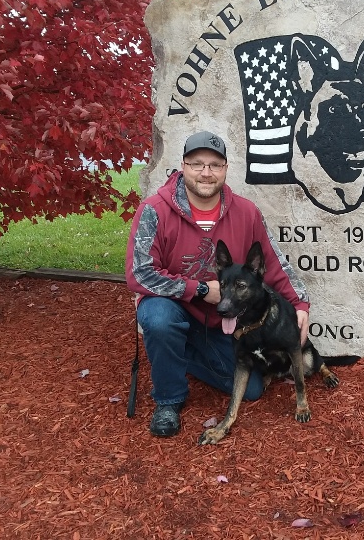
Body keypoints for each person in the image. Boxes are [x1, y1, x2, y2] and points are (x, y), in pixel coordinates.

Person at [126, 131, 310, 437]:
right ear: (183, 166)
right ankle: (169, 400)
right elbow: (139, 273)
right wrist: (198, 290)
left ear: (225, 168)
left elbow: (274, 263)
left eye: (215, 164)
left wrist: (300, 303)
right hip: (175, 308)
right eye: (197, 163)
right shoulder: (154, 210)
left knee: (251, 389)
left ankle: (177, 351)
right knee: (159, 319)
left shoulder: (246, 212)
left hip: (222, 319)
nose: (206, 172)